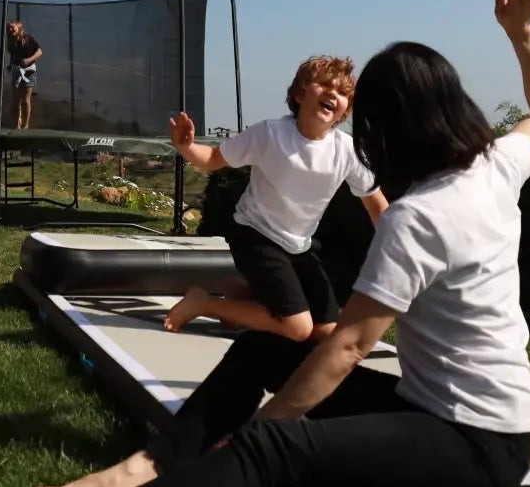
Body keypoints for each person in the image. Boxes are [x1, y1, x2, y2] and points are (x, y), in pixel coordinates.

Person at [0, 0, 530, 487]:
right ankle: (147, 465)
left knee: (269, 448)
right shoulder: (495, 166)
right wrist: (523, 35)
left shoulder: (420, 217)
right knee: (265, 348)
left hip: (475, 444)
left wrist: (261, 429)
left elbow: (348, 347)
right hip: (446, 411)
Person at [160, 55, 388, 342]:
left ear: (345, 110)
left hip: (298, 245)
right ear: (299, 93)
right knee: (298, 329)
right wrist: (187, 146)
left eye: (342, 93)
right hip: (255, 235)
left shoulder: (347, 151)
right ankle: (204, 302)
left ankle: (242, 294)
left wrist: (404, 248)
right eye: (324, 85)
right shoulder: (270, 134)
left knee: (325, 331)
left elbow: (377, 205)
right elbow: (214, 159)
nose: (333, 93)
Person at [6, 21, 43, 129]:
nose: (10, 30)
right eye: (8, 28)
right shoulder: (11, 41)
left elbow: (39, 52)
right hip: (17, 70)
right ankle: (16, 125)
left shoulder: (28, 39)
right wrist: (10, 64)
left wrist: (28, 60)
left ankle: (25, 125)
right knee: (16, 99)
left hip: (29, 70)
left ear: (19, 27)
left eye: (12, 27)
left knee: (26, 99)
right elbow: (14, 55)